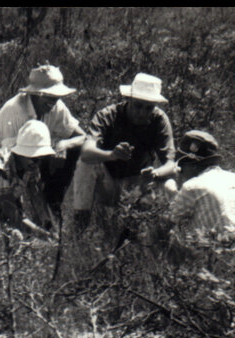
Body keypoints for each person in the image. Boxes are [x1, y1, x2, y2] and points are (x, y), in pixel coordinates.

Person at [71, 73, 178, 237]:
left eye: (148, 107)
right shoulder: (108, 115)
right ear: (129, 100)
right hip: (108, 184)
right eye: (138, 105)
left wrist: (155, 173)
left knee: (170, 185)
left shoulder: (159, 120)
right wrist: (111, 155)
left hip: (138, 185)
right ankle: (80, 225)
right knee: (86, 164)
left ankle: (163, 237)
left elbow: (171, 165)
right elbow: (86, 152)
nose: (142, 112)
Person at [0, 64, 87, 211]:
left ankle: (53, 206)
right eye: (48, 97)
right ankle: (27, 211)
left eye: (56, 97)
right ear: (36, 93)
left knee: (73, 151)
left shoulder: (56, 106)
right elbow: (10, 158)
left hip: (28, 158)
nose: (53, 102)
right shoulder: (16, 111)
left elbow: (83, 137)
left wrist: (65, 144)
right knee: (12, 211)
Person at [164, 130, 235, 272]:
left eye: (181, 166)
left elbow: (168, 222)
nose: (180, 171)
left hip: (224, 264)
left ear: (192, 164)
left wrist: (171, 192)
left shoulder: (192, 187)